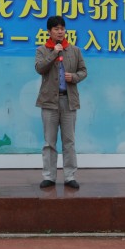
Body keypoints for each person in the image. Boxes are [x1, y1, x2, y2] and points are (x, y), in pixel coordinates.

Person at [35, 16, 87, 189]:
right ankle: (49, 176)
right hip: (49, 102)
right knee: (49, 142)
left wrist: (74, 77)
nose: (60, 32)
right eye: (56, 29)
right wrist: (54, 53)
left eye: (62, 28)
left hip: (68, 100)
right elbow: (40, 68)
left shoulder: (75, 50)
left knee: (69, 141)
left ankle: (69, 176)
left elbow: (83, 71)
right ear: (49, 32)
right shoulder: (42, 50)